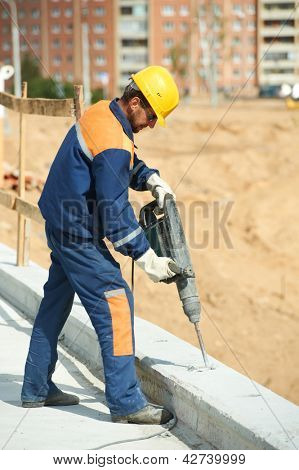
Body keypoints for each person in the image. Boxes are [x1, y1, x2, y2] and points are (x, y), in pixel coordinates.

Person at [21, 66, 179, 425]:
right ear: (136, 101)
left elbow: (123, 160)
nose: (152, 124)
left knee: (55, 302)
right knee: (117, 303)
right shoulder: (113, 138)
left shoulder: (102, 112)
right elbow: (115, 213)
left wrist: (150, 177)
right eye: (152, 115)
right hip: (77, 232)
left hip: (60, 223)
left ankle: (35, 386)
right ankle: (126, 402)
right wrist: (148, 259)